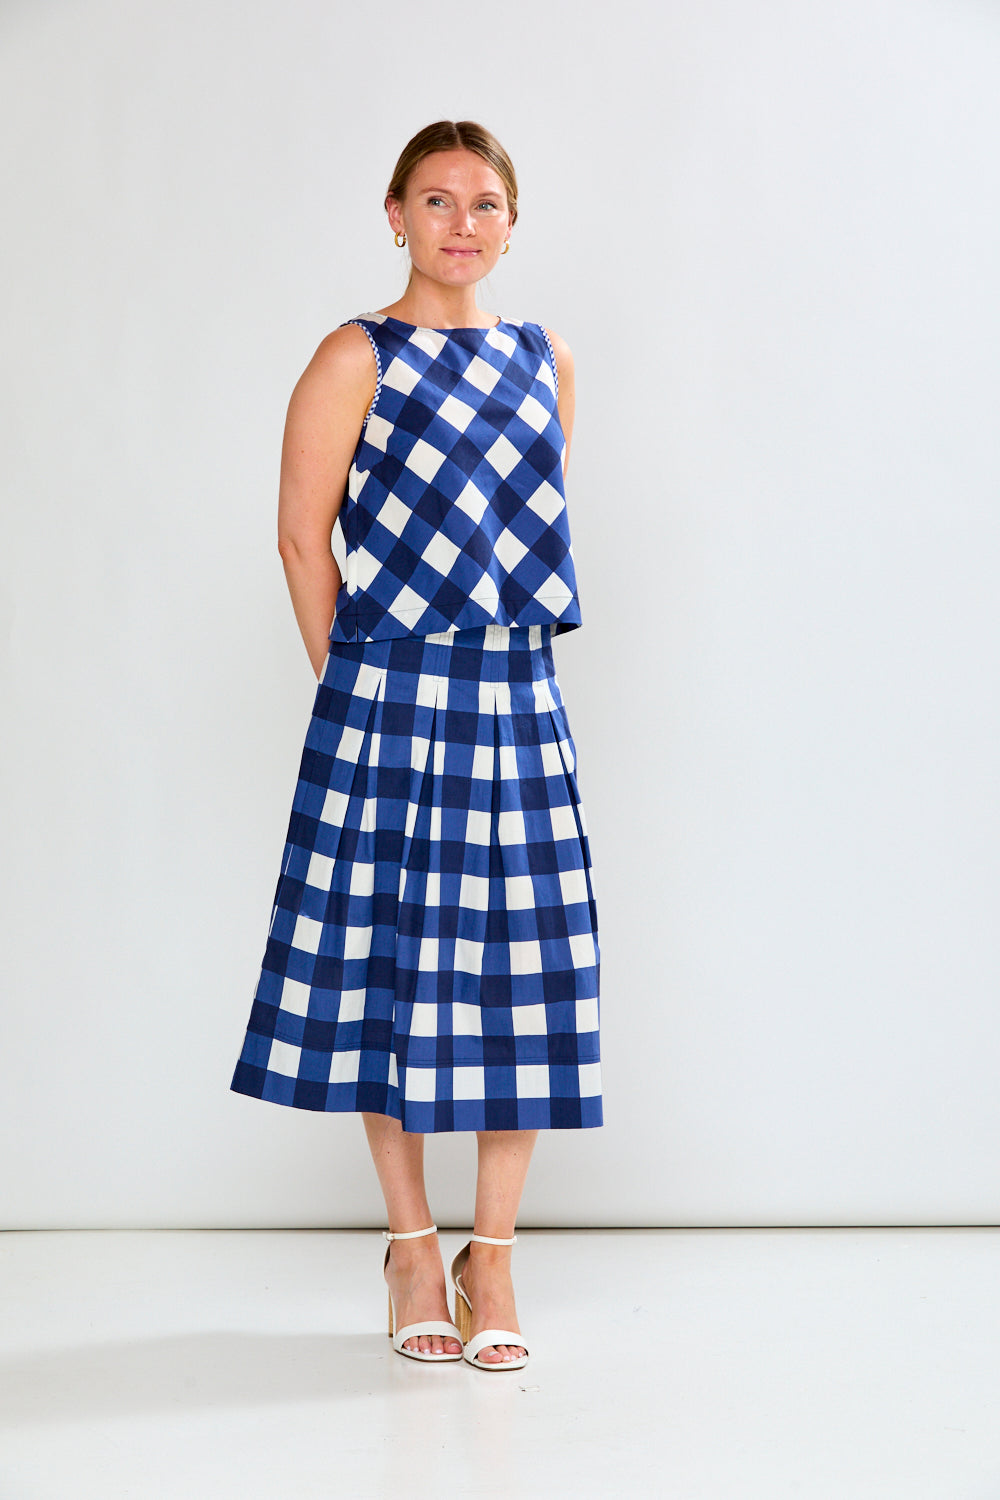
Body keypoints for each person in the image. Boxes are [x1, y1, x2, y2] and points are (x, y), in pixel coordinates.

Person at [230, 119, 603, 1371]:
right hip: (387, 693)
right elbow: (303, 537)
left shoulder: (543, 357)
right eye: (436, 200)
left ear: (511, 223)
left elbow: (518, 527)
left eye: (484, 202)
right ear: (394, 215)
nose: (461, 223)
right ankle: (409, 1246)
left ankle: (491, 1258)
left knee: (518, 966)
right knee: (391, 965)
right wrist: (350, 685)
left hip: (513, 691)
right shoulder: (357, 355)